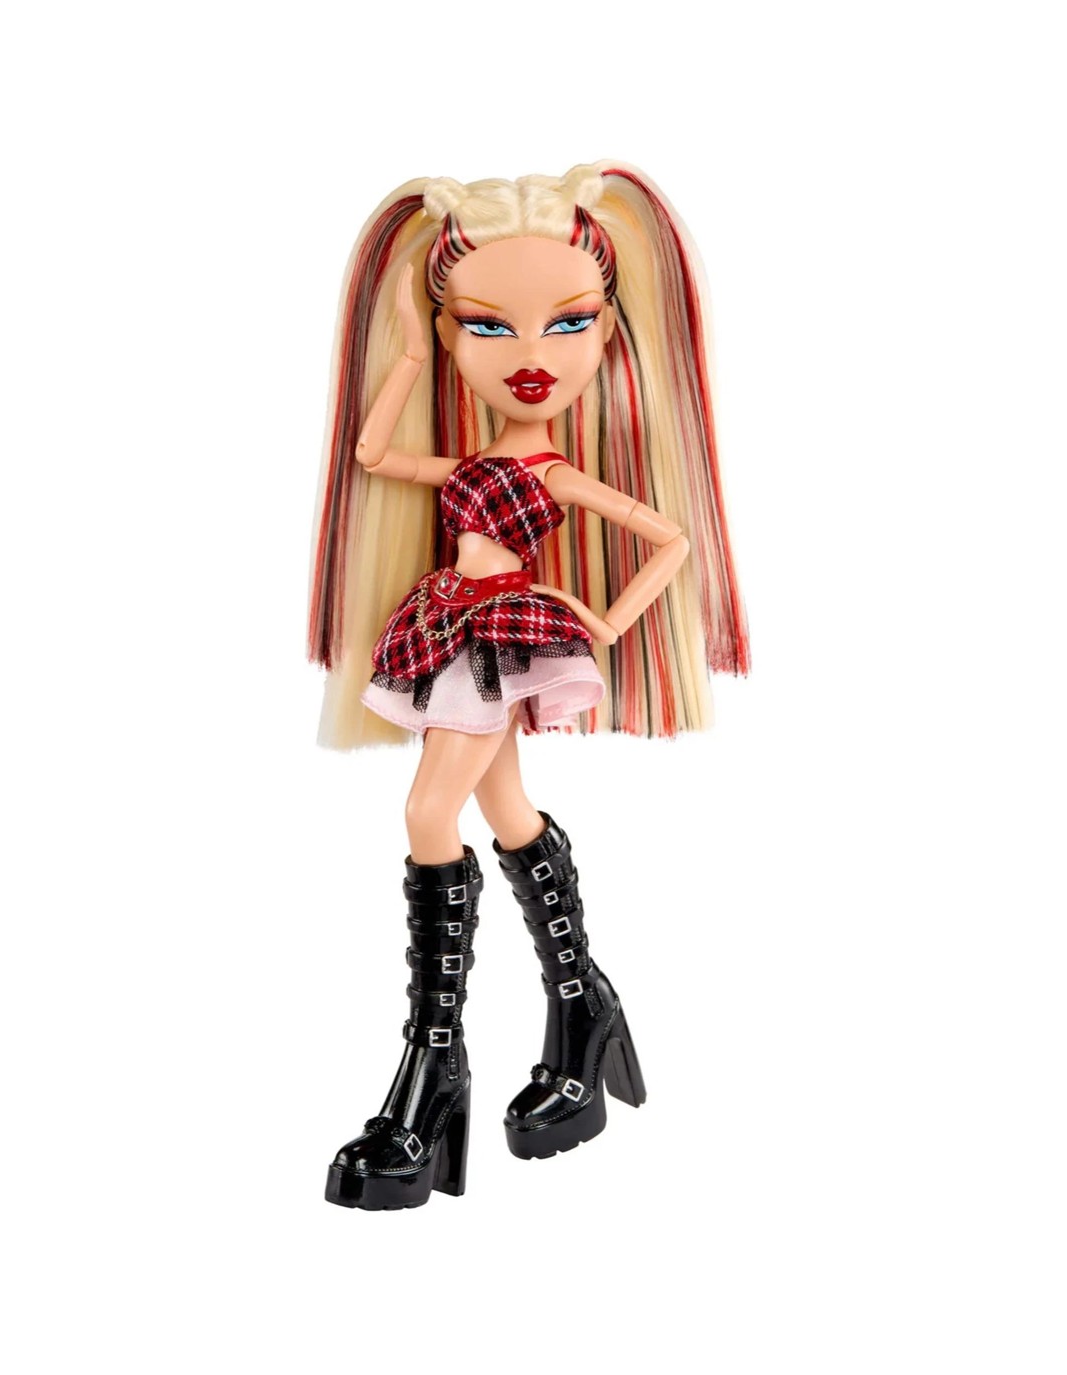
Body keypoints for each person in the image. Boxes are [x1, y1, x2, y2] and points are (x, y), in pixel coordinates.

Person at [307, 160, 750, 1209]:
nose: (533, 356)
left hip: (497, 634)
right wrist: (408, 353)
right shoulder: (469, 466)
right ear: (451, 333)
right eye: (486, 326)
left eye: (570, 322)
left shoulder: (551, 473)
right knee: (505, 812)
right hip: (451, 626)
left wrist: (603, 619)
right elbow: (372, 451)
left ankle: (433, 1062)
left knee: (428, 813)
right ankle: (581, 1004)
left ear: (609, 332)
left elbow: (669, 536)